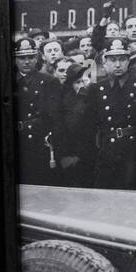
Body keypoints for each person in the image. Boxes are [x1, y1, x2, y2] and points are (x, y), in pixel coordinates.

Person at [89, 38, 136, 189]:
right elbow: (92, 123)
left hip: (133, 149)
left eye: (122, 59)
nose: (117, 64)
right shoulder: (97, 89)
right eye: (113, 60)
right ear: (105, 61)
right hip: (107, 151)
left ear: (128, 61)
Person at [13, 36, 56, 185]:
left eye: (30, 57)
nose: (26, 61)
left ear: (37, 58)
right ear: (15, 60)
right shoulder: (8, 82)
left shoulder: (49, 81)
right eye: (21, 58)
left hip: (40, 143)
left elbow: (54, 115)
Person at [50, 61, 97, 189]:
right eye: (78, 82)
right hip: (73, 156)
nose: (83, 85)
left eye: (85, 80)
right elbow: (63, 129)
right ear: (70, 85)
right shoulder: (65, 103)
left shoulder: (95, 98)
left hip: (93, 155)